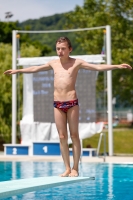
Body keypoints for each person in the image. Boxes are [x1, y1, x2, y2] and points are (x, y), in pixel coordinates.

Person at [4, 37, 132, 177]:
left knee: (74, 135)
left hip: (72, 103)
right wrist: (18, 71)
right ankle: (67, 168)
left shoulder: (77, 63)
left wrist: (117, 66)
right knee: (62, 136)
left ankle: (75, 168)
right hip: (57, 104)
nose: (60, 51)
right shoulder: (53, 63)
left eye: (63, 48)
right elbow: (36, 68)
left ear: (69, 49)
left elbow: (98, 67)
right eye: (58, 48)